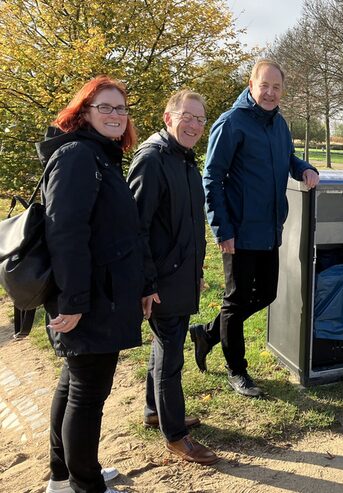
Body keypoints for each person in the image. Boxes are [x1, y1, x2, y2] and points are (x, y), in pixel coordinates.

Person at [38, 76, 147, 493]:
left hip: (97, 293)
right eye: (106, 107)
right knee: (88, 392)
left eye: (121, 108)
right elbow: (64, 232)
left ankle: (63, 476)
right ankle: (85, 485)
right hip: (87, 297)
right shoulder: (78, 157)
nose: (116, 115)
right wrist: (74, 300)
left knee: (74, 382)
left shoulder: (99, 156)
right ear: (84, 112)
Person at [190, 59, 320, 398]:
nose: (271, 93)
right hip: (239, 230)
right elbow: (212, 178)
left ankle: (207, 333)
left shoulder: (279, 124)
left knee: (266, 294)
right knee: (235, 302)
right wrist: (222, 229)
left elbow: (288, 158)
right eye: (265, 86)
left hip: (270, 227)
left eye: (277, 87)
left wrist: (304, 167)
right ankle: (238, 370)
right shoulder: (231, 123)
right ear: (252, 85)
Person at [127, 90, 218, 465]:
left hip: (182, 275)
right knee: (170, 358)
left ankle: (154, 411)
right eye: (187, 116)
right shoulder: (152, 160)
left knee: (165, 348)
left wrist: (196, 270)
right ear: (168, 118)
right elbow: (136, 229)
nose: (195, 125)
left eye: (200, 119)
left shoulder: (184, 160)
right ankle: (176, 436)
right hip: (161, 281)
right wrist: (147, 284)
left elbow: (190, 224)